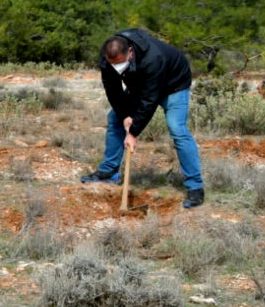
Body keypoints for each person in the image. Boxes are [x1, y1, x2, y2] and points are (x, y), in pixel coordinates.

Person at [80, 28, 205, 208]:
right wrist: (124, 116)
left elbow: (150, 100)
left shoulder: (154, 58)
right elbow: (113, 91)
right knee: (114, 118)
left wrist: (133, 132)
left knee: (176, 128)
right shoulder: (108, 57)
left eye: (120, 64)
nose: (116, 68)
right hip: (141, 82)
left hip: (174, 84)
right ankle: (108, 172)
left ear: (130, 52)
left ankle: (195, 187)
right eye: (113, 64)